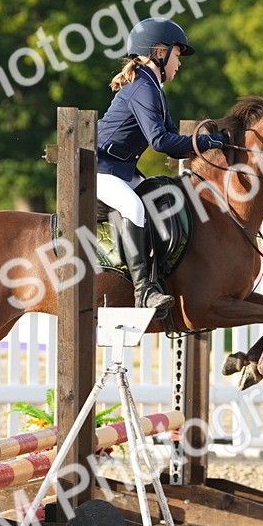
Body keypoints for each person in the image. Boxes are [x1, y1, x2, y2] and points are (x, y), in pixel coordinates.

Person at [96, 17, 225, 310]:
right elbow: (159, 142)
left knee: (160, 200)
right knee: (135, 207)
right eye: (177, 55)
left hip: (121, 170)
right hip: (100, 169)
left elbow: (171, 140)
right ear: (159, 53)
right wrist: (203, 143)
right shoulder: (143, 87)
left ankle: (159, 278)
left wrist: (207, 143)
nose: (179, 63)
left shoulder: (152, 86)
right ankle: (143, 291)